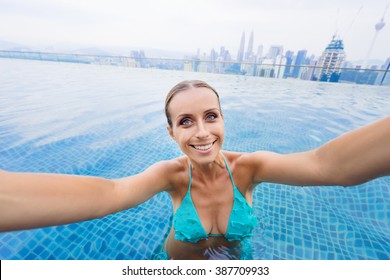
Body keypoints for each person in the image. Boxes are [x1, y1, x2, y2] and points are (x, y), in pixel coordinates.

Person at [0, 80, 389, 260]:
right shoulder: (168, 175)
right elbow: (109, 195)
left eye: (210, 116)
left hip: (237, 262)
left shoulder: (250, 167)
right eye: (186, 122)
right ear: (171, 132)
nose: (202, 133)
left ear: (223, 119)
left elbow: (326, 165)